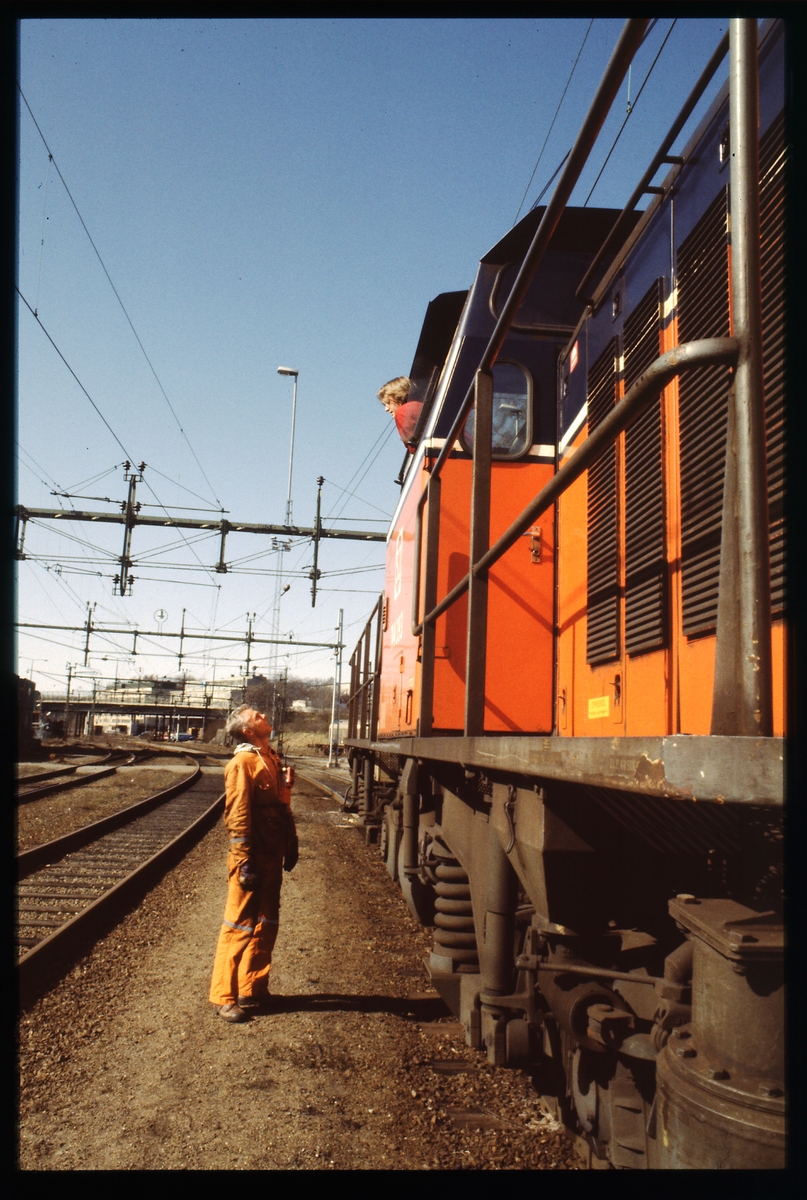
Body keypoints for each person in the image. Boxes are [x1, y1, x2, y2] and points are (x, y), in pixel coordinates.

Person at [209, 705, 298, 1023]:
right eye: (257, 716)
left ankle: (253, 987)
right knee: (238, 925)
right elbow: (237, 815)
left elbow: (279, 807)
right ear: (248, 731)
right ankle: (224, 996)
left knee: (266, 922)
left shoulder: (271, 758)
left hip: (272, 854)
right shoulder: (242, 764)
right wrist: (243, 860)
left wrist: (290, 841)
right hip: (252, 857)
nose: (264, 716)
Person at [377, 376, 423, 450]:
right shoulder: (421, 406)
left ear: (399, 396)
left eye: (388, 402)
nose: (386, 409)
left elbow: (413, 448)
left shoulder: (403, 411)